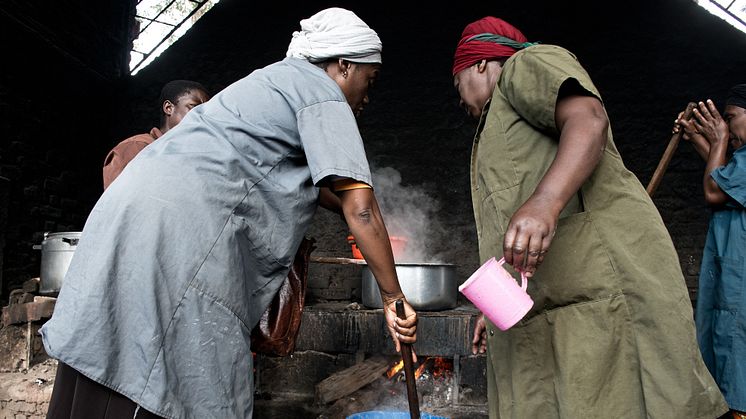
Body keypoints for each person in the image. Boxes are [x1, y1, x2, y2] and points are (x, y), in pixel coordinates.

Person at [40, 7, 417, 419]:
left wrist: (346, 202)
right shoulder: (322, 92)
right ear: (344, 65)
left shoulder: (269, 80)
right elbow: (359, 208)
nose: (367, 96)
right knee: (161, 370)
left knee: (110, 348)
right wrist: (393, 297)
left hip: (128, 213)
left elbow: (305, 184)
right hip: (179, 231)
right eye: (370, 80)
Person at [451, 16, 728, 418]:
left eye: (455, 79)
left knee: (624, 397)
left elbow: (588, 119)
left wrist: (546, 201)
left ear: (479, 63)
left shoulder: (526, 66)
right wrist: (497, 301)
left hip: (603, 289)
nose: (457, 96)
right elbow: (518, 229)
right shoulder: (498, 128)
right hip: (563, 305)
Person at [676, 87, 746, 419]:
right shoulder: (742, 161)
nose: (727, 127)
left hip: (740, 281)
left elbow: (715, 191)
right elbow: (725, 177)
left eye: (731, 119)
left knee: (736, 347)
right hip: (730, 272)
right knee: (724, 342)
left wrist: (717, 140)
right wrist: (697, 138)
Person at [102, 79, 211, 189]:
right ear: (169, 108)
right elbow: (118, 200)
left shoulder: (193, 157)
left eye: (205, 111)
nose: (202, 115)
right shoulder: (137, 146)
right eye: (194, 106)